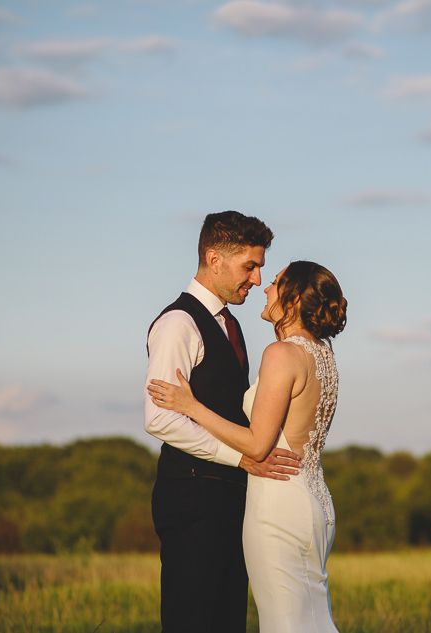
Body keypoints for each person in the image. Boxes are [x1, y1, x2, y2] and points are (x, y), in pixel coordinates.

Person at [149, 260, 347, 633]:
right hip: (314, 499)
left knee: (283, 623)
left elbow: (258, 445)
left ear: (291, 298)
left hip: (277, 502)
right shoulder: (323, 355)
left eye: (274, 282)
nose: (265, 287)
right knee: (314, 618)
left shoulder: (281, 354)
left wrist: (192, 407)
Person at [144, 210, 302, 633]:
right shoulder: (178, 324)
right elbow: (159, 419)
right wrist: (240, 458)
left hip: (233, 501)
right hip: (193, 497)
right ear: (214, 259)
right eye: (249, 267)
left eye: (258, 269)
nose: (255, 279)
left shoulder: (231, 326)